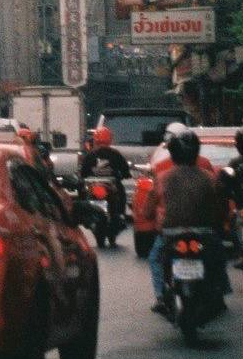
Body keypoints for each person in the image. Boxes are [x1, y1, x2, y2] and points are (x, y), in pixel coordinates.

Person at [145, 128, 226, 316]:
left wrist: (151, 219)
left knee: (155, 258)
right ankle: (220, 293)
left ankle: (160, 297)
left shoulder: (163, 178)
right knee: (217, 256)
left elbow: (148, 210)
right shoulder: (209, 177)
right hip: (204, 233)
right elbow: (221, 209)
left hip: (170, 234)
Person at [79, 124, 132, 218]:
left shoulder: (90, 155)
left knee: (83, 193)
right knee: (121, 193)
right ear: (110, 138)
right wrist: (125, 175)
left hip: (94, 185)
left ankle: (83, 214)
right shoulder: (115, 154)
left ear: (95, 138)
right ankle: (120, 215)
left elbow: (83, 173)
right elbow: (125, 171)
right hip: (110, 186)